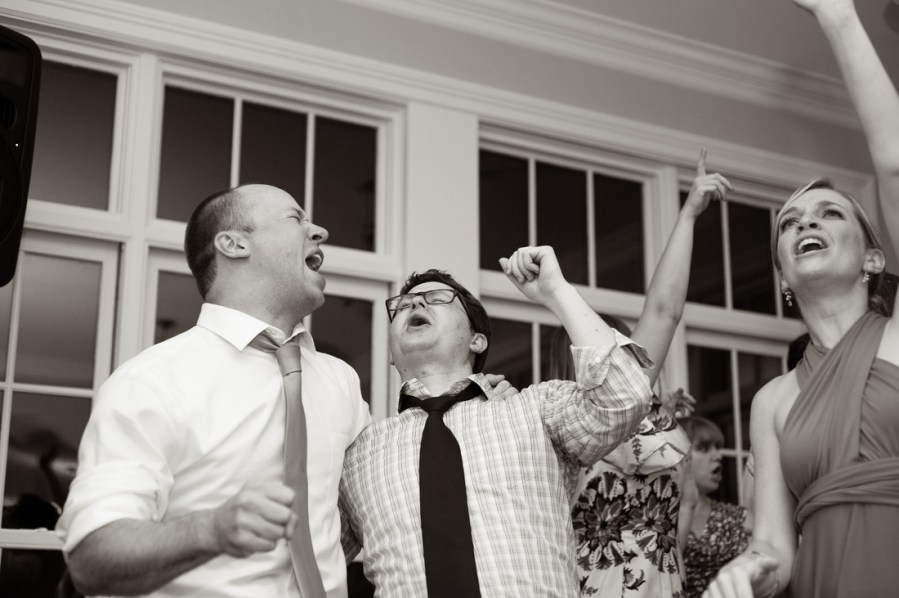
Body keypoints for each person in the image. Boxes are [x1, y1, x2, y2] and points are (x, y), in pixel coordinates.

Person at [56, 184, 372, 597]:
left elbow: (359, 519)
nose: (320, 231)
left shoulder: (340, 380)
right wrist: (212, 529)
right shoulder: (151, 381)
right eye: (296, 218)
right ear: (233, 244)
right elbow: (92, 557)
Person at [704, 1, 899, 596]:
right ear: (784, 278)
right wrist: (748, 570)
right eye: (789, 223)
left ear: (873, 259)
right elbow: (772, 545)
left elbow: (894, 165)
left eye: (829, 213)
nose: (805, 222)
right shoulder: (772, 401)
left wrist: (838, 16)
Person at [339, 244, 655, 596]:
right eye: (402, 305)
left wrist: (556, 291)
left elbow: (625, 399)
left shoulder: (536, 411)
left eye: (437, 298)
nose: (414, 305)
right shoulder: (356, 456)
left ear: (477, 341)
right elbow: (310, 557)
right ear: (391, 354)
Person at [568, 152, 729, 597]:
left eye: (625, 349)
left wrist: (689, 214)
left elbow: (665, 310)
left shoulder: (650, 414)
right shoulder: (564, 423)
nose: (622, 357)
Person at [678, 417, 751, 598]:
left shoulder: (736, 516)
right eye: (704, 448)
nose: (718, 456)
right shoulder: (656, 519)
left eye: (718, 448)